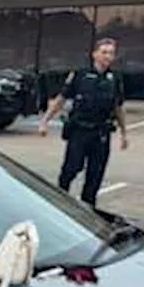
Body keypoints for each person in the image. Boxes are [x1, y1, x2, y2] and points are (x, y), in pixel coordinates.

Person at [38, 37, 129, 206]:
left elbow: (118, 107)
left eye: (111, 53)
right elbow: (61, 99)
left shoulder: (115, 78)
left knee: (95, 175)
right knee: (71, 169)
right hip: (80, 131)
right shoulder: (80, 75)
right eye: (104, 52)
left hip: (101, 133)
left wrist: (124, 133)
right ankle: (60, 201)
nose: (107, 56)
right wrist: (45, 121)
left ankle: (89, 209)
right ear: (94, 54)